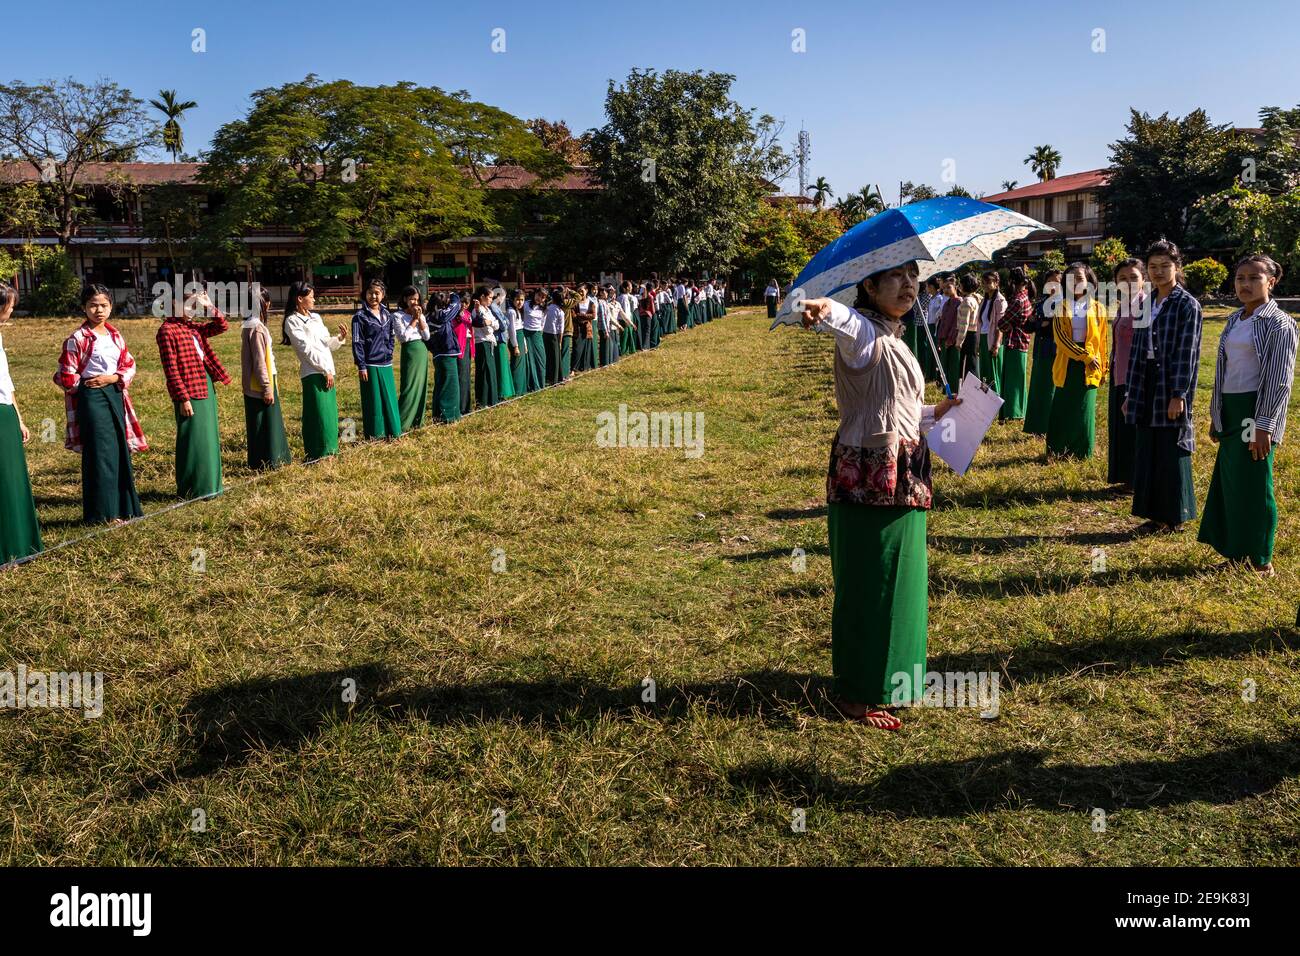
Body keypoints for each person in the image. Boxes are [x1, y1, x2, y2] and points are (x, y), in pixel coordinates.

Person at [797, 262, 961, 730]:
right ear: (869, 286)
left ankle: (895, 680)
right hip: (869, 476)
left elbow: (902, 412)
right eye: (896, 278)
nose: (910, 285)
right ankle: (859, 693)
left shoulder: (896, 339)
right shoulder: (863, 333)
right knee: (872, 581)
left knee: (903, 576)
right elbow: (841, 320)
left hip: (905, 471)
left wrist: (939, 411)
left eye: (914, 277)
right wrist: (823, 308)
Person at [1199, 254, 1297, 574]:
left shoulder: (1279, 323)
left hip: (1254, 410)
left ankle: (1260, 560)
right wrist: (1217, 414)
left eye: (1254, 278)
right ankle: (1237, 552)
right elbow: (1223, 370)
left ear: (1271, 282)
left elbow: (1278, 379)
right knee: (1232, 482)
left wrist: (1263, 425)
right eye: (1240, 278)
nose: (1245, 284)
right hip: (1231, 408)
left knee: (1254, 483)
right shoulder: (1234, 320)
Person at [1124, 240, 1202, 532]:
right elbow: (1136, 349)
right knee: (1149, 447)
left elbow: (1188, 353)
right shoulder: (1146, 302)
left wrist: (1179, 395)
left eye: (1164, 266)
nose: (1157, 272)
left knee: (1171, 446)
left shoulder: (1187, 305)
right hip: (1145, 381)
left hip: (1170, 381)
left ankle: (1175, 515)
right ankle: (1154, 514)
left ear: (1177, 267)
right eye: (1152, 267)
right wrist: (1131, 392)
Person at [55, 284, 148, 524]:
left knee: (118, 451)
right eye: (93, 305)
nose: (99, 310)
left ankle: (125, 508)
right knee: (100, 453)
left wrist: (114, 378)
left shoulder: (115, 335)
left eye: (104, 305)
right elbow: (65, 375)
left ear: (111, 307)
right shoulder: (77, 339)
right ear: (84, 308)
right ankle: (103, 514)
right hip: (92, 399)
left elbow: (129, 363)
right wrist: (85, 387)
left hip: (115, 394)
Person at [157, 288, 231, 498]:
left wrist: (209, 306)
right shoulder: (167, 331)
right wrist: (183, 398)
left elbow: (222, 325)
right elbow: (170, 369)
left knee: (208, 437)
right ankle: (192, 488)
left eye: (195, 306)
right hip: (188, 391)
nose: (192, 310)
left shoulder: (193, 328)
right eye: (188, 305)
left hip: (205, 385)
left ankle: (210, 486)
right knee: (192, 439)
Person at [1047, 262, 1108, 458]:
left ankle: (1083, 452)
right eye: (1071, 279)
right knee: (1063, 407)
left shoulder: (1099, 308)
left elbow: (1103, 341)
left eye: (1080, 278)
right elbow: (1061, 339)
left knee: (1084, 409)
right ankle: (1057, 450)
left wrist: (1103, 368)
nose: (1075, 283)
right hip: (1069, 364)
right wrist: (1085, 357)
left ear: (1090, 281)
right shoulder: (1060, 307)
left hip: (1092, 366)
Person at [0, 285, 43, 564]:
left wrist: (19, 417)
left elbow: (6, 380)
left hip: (5, 414)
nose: (12, 311)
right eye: (9, 306)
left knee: (14, 479)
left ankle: (20, 544)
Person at [283, 280, 348, 462]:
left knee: (329, 414)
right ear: (299, 299)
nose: (314, 300)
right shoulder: (292, 321)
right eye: (310, 297)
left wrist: (340, 338)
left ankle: (331, 449)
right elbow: (305, 349)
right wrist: (323, 369)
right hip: (313, 372)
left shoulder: (316, 317)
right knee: (317, 414)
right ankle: (317, 452)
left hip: (327, 371)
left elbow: (326, 342)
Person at [241, 286, 291, 471]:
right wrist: (267, 387)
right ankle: (271, 460)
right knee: (266, 424)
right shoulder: (257, 327)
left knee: (259, 424)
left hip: (257, 383)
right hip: (260, 384)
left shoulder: (249, 324)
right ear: (265, 304)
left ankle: (260, 461)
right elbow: (259, 359)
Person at [1107, 259, 1145, 486]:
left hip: (1133, 376)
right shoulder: (1124, 304)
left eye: (1133, 277)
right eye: (1122, 279)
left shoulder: (1144, 305)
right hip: (1118, 374)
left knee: (1131, 430)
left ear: (1143, 280)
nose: (1128, 282)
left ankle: (1134, 479)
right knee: (1120, 428)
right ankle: (1124, 477)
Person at [351, 278, 402, 440]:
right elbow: (357, 342)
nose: (373, 296)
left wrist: (389, 352)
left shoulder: (387, 314)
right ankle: (376, 435)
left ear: (383, 294)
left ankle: (393, 431)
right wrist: (362, 365)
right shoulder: (359, 317)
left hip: (386, 363)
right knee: (374, 401)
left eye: (377, 293)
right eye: (370, 293)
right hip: (370, 364)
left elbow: (391, 337)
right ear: (364, 294)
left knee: (390, 399)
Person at [1023, 269, 1061, 435]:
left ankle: (1048, 427)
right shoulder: (1041, 302)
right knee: (1037, 389)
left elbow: (1052, 327)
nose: (1053, 285)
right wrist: (1040, 323)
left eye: (1057, 282)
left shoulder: (1064, 303)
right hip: (1039, 351)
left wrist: (1038, 323)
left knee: (1049, 390)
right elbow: (1027, 326)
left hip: (1054, 352)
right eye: (1049, 282)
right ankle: (1036, 427)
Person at [997, 268, 1033, 420]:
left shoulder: (1017, 300)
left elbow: (1002, 323)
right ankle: (1019, 410)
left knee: (1012, 380)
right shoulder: (1026, 297)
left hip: (1014, 341)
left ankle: (1013, 412)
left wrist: (1006, 325)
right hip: (1023, 341)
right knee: (1019, 379)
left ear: (1012, 282)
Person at [394, 284, 431, 432]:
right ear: (405, 299)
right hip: (409, 352)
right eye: (411, 299)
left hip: (421, 350)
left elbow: (427, 336)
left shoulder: (421, 314)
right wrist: (413, 320)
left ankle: (417, 420)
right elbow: (403, 338)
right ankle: (402, 422)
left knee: (421, 386)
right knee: (409, 386)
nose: (415, 302)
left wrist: (420, 319)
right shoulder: (397, 316)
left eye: (416, 299)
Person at [425, 290, 462, 423]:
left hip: (438, 354)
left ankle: (438, 414)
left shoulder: (428, 316)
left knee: (440, 384)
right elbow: (456, 305)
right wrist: (454, 295)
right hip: (446, 352)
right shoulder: (440, 314)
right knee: (450, 386)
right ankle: (448, 416)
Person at [471, 285, 500, 407]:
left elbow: (496, 325)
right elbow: (486, 329)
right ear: (482, 297)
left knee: (491, 371)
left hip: (489, 343)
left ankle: (491, 399)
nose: (491, 300)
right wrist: (490, 324)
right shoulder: (477, 310)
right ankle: (482, 401)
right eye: (490, 298)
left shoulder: (488, 310)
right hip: (481, 342)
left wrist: (491, 323)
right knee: (483, 372)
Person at [977, 270, 1005, 393]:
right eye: (983, 283)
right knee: (984, 371)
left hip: (992, 340)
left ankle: (995, 397)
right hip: (983, 338)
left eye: (988, 282)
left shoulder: (999, 301)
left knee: (993, 371)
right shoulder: (984, 300)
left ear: (996, 283)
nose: (985, 285)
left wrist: (996, 344)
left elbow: (1001, 325)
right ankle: (985, 397)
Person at [491, 287, 517, 400]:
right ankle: (502, 392)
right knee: (501, 366)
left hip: (500, 338)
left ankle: (504, 392)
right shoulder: (494, 307)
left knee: (503, 365)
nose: (503, 300)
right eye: (503, 297)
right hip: (499, 339)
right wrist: (505, 321)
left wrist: (504, 321)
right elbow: (503, 324)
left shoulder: (495, 307)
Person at [521, 287, 548, 392]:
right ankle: (530, 385)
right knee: (528, 359)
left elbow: (543, 323)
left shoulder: (544, 308)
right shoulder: (526, 304)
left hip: (537, 334)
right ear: (535, 294)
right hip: (526, 333)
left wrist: (539, 331)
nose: (540, 298)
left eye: (543, 297)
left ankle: (540, 384)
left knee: (540, 359)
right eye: (539, 295)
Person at [454, 293, 474, 414]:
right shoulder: (456, 315)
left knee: (466, 375)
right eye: (462, 302)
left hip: (467, 344)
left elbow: (472, 322)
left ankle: (467, 405)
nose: (464, 305)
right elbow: (463, 319)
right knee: (461, 375)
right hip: (459, 346)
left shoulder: (468, 314)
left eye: (467, 303)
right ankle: (460, 406)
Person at [543, 287, 565, 386]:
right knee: (556, 357)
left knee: (548, 356)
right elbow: (561, 329)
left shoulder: (547, 307)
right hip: (554, 335)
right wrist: (560, 341)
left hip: (545, 334)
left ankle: (549, 377)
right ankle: (556, 379)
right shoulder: (560, 311)